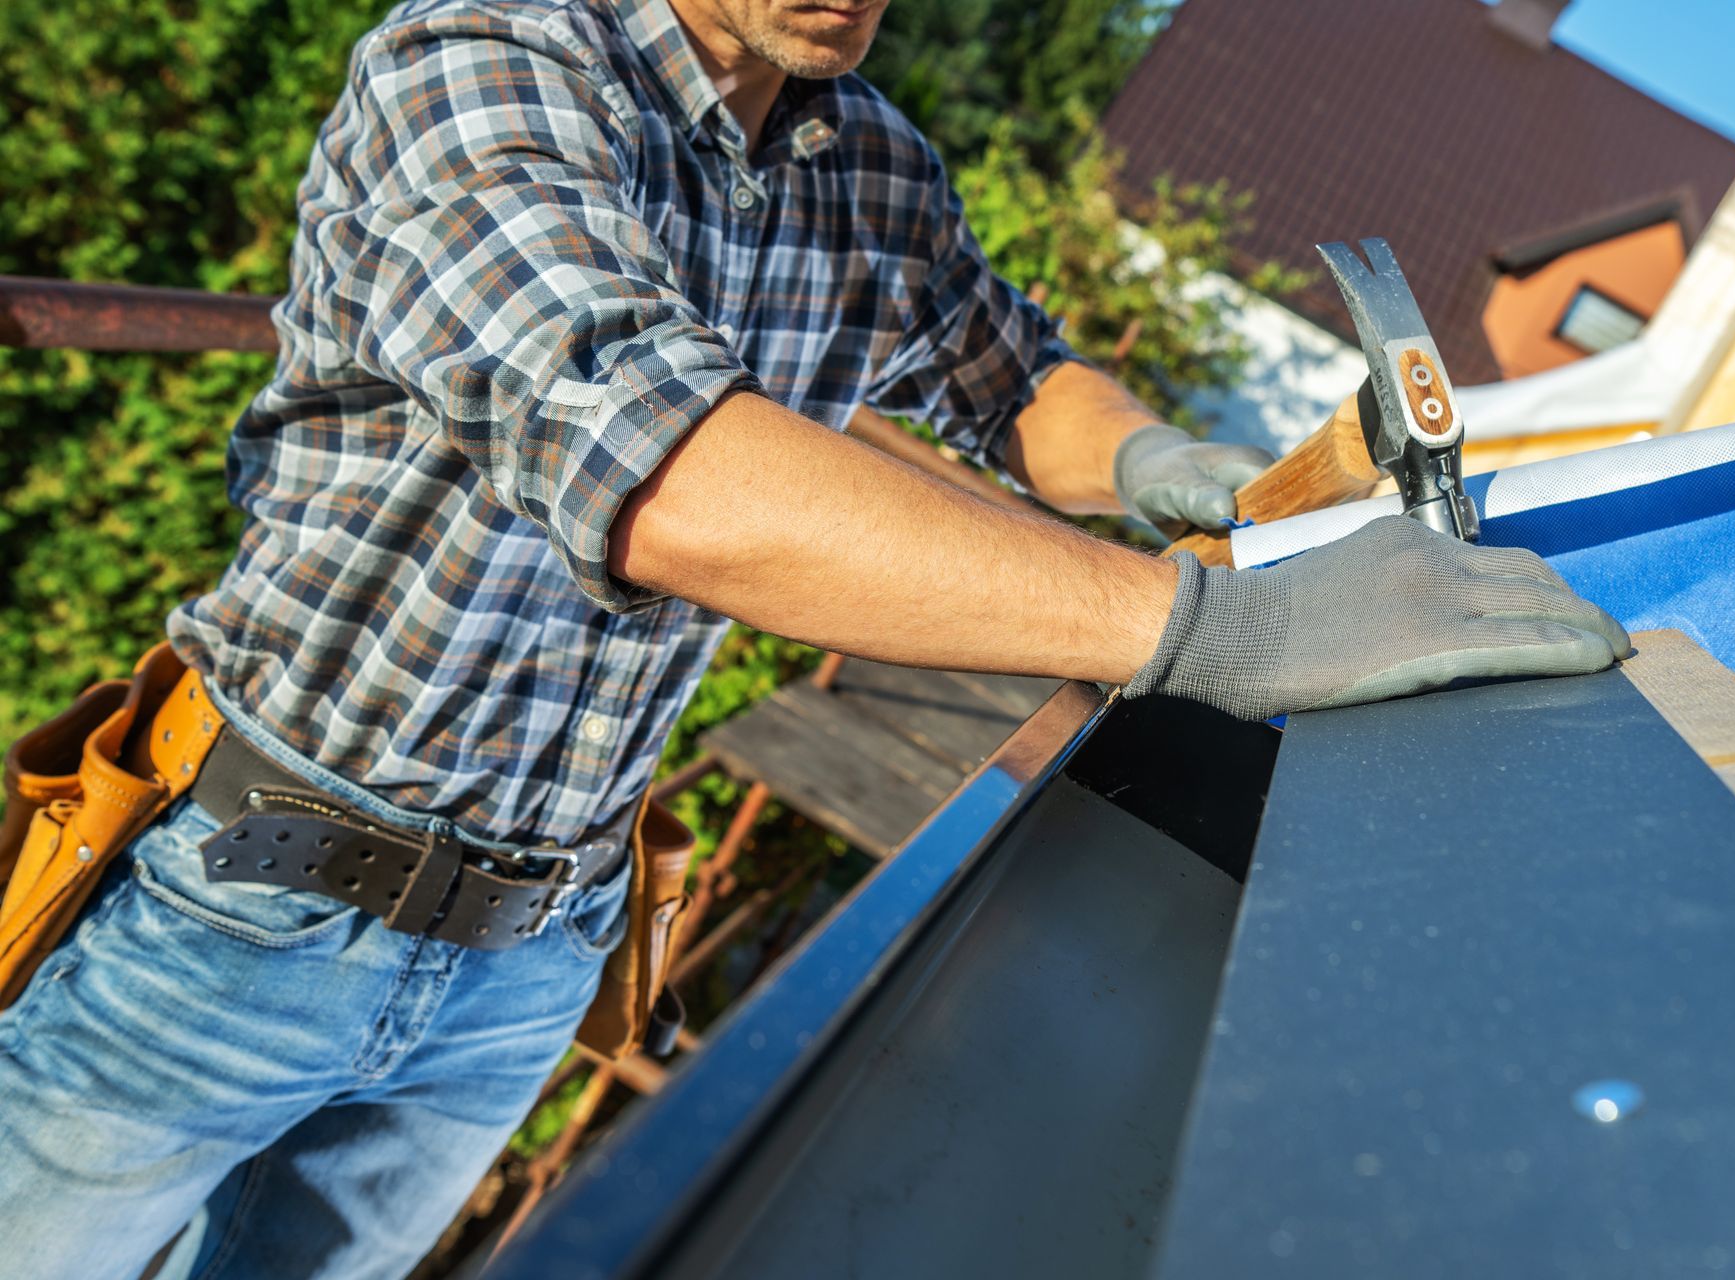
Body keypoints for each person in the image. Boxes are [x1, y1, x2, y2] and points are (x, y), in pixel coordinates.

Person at [0, 0, 1628, 1275]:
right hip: (246, 906)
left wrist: (1162, 465)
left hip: (532, 952)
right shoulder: (484, 69)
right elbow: (669, 480)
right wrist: (1207, 622)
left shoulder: (868, 168)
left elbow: (1017, 381)